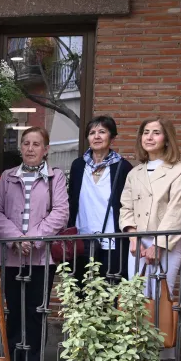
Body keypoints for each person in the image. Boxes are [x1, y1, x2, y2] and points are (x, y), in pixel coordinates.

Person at [0, 126, 69, 361]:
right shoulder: (8, 177)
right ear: (20, 147)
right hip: (12, 257)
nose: (30, 148)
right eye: (26, 143)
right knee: (13, 309)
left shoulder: (55, 177)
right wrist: (16, 239)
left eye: (36, 144)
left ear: (46, 149)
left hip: (41, 257)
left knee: (36, 310)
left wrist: (32, 239)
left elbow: (61, 213)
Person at [120, 117, 181, 346]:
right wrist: (133, 236)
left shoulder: (178, 170)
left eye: (156, 132)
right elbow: (126, 207)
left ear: (167, 139)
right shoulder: (135, 173)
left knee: (161, 296)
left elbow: (177, 210)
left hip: (168, 242)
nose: (149, 137)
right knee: (136, 295)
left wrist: (158, 245)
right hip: (137, 243)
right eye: (146, 132)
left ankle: (160, 355)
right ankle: (137, 353)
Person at [68, 116, 133, 282]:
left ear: (112, 137)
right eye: (92, 133)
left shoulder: (123, 167)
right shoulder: (78, 166)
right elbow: (72, 201)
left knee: (111, 288)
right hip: (81, 240)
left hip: (112, 241)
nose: (96, 136)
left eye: (102, 132)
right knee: (82, 289)